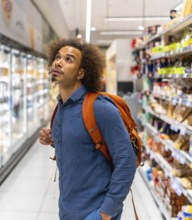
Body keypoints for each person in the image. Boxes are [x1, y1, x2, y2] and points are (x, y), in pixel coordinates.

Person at [39, 38, 137, 220]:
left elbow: (126, 160)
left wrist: (107, 212)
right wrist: (55, 140)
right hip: (67, 208)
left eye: (68, 59)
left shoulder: (100, 108)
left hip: (94, 211)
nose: (59, 62)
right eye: (58, 57)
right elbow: (80, 143)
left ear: (81, 73)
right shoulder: (61, 106)